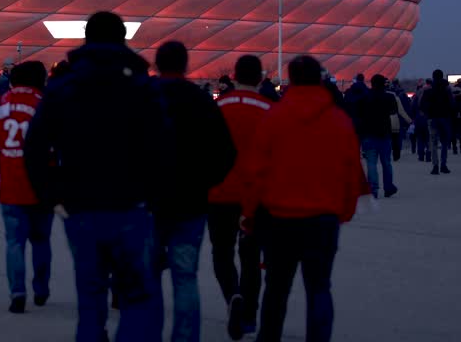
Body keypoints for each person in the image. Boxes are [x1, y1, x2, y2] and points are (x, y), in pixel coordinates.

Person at [24, 11, 165, 342]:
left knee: (90, 298)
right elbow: (163, 147)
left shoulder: (63, 86)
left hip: (79, 205)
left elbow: (35, 147)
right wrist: (154, 198)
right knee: (135, 298)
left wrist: (51, 196)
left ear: (86, 38)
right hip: (131, 204)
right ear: (122, 39)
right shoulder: (142, 86)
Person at [239, 55, 368, 342]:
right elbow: (351, 170)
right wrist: (344, 211)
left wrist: (249, 214)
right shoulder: (338, 119)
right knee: (319, 288)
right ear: (320, 78)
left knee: (276, 289)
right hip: (323, 219)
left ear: (292, 79)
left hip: (279, 219)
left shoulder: (274, 117)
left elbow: (256, 172)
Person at [150, 41, 234, 342]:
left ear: (157, 65)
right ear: (185, 65)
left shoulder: (143, 97)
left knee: (148, 278)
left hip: (148, 204)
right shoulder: (201, 100)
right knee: (185, 278)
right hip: (191, 203)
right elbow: (226, 153)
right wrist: (204, 183)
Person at [207, 54, 271, 340]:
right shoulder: (270, 109)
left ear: (233, 76)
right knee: (251, 257)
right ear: (260, 78)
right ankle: (249, 317)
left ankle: (233, 295)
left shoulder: (217, 107)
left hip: (219, 194)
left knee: (221, 253)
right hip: (255, 197)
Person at [0, 61, 54, 314]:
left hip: (11, 184)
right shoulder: (44, 104)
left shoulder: (1, 104)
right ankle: (41, 288)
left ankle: (17, 292)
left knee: (14, 242)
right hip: (42, 184)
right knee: (41, 240)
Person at [355, 75, 400, 199]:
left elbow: (358, 115)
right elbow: (393, 112)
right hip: (384, 133)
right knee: (386, 162)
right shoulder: (389, 97)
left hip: (368, 134)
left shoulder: (364, 98)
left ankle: (373, 188)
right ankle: (388, 187)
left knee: (371, 163)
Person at [420, 70, 454, 174]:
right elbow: (452, 104)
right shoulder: (447, 90)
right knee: (444, 143)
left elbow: (421, 105)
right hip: (444, 118)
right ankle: (443, 165)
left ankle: (435, 165)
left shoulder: (428, 90)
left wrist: (428, 112)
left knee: (433, 142)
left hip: (432, 118)